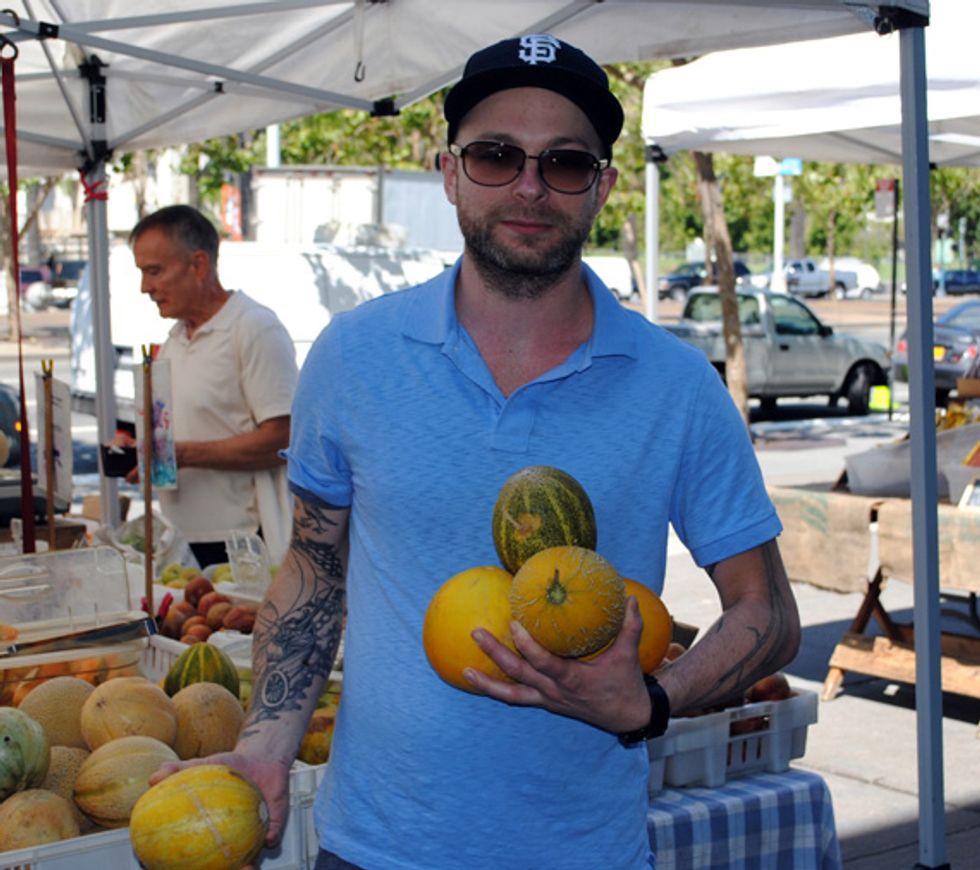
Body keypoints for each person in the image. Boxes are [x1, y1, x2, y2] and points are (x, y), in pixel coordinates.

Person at [153, 35, 801, 869]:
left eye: (564, 163)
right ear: (451, 172)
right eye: (497, 155)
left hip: (585, 855)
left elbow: (768, 612)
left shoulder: (676, 385)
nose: (530, 186)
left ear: (602, 188)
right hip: (372, 849)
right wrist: (268, 746)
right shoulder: (354, 356)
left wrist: (650, 701)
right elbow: (314, 570)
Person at [124, 205, 298, 567]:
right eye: (142, 273)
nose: (145, 288)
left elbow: (283, 439)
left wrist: (183, 454)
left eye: (154, 271)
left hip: (244, 542)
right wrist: (138, 447)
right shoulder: (173, 339)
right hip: (181, 538)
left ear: (198, 265)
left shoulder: (252, 327)